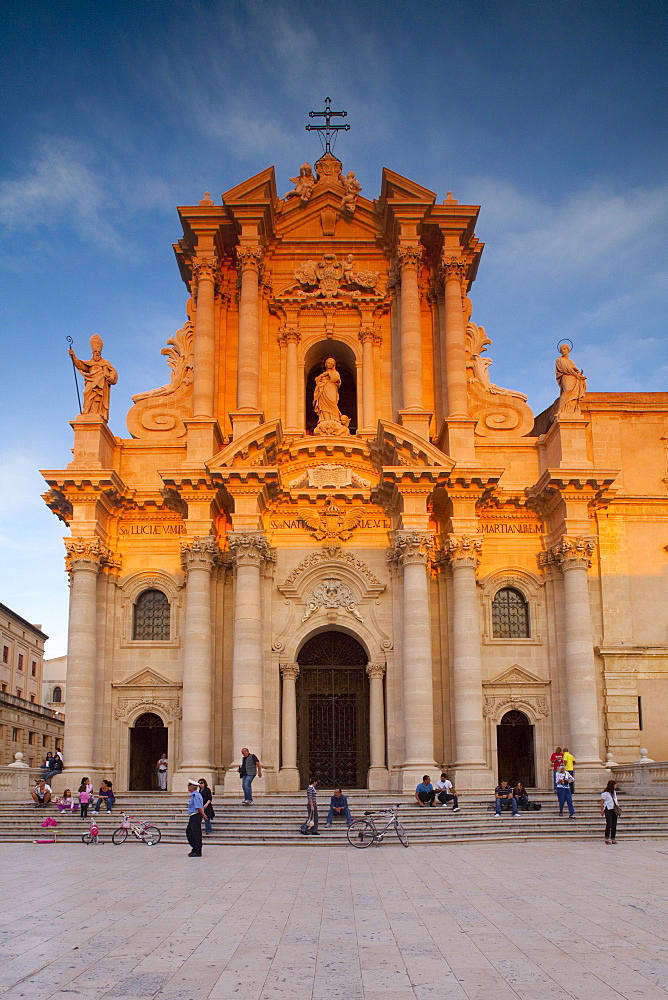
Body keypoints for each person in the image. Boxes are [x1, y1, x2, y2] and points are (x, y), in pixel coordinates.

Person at [69, 335, 118, 421]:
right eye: (95, 352)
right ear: (92, 353)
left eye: (98, 352)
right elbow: (80, 365)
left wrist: (111, 376)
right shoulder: (90, 363)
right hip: (91, 381)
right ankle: (87, 411)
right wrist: (73, 356)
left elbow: (113, 371)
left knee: (98, 397)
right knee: (87, 393)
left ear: (100, 353)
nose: (97, 353)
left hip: (101, 383)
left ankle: (96, 412)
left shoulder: (105, 362)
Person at [555, 342, 587, 415]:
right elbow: (565, 369)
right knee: (567, 390)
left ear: (568, 350)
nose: (563, 350)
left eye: (564, 349)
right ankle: (561, 410)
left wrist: (580, 375)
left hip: (574, 378)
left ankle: (571, 409)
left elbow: (574, 369)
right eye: (561, 349)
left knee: (574, 394)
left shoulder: (571, 361)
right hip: (566, 377)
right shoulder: (559, 360)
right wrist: (577, 374)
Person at [313, 358, 343, 426]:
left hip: (331, 388)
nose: (329, 364)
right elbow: (317, 381)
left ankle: (335, 418)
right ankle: (324, 419)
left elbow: (335, 378)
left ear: (333, 365)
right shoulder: (322, 374)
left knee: (332, 402)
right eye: (328, 363)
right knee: (323, 405)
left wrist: (326, 374)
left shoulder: (335, 373)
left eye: (331, 363)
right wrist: (321, 376)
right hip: (323, 389)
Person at [186, 779, 205, 857]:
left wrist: (203, 815)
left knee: (195, 833)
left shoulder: (195, 795)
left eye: (188, 786)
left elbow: (198, 807)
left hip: (196, 815)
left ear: (192, 787)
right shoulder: (194, 795)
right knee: (190, 832)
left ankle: (197, 850)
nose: (187, 788)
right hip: (193, 815)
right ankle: (195, 848)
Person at [601, 779, 620, 845]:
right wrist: (602, 810)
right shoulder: (605, 793)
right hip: (608, 809)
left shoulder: (614, 792)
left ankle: (613, 838)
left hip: (614, 809)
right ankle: (606, 838)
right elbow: (602, 802)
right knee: (609, 824)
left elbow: (615, 800)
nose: (616, 786)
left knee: (614, 824)